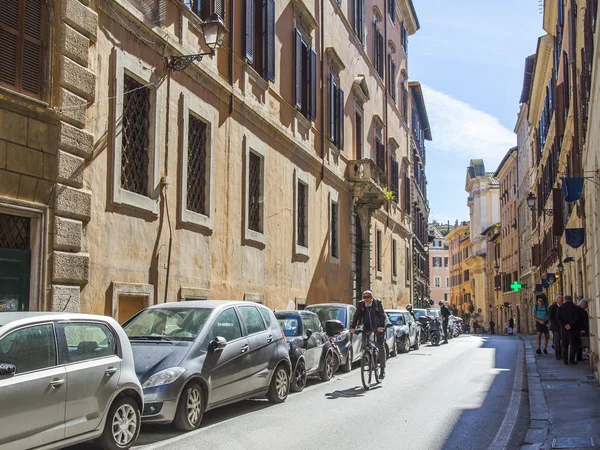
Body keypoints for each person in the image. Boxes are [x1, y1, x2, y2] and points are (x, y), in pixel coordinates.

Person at [350, 290, 387, 378]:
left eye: (368, 297)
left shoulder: (377, 304)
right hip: (367, 327)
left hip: (378, 327)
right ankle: (368, 358)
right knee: (364, 345)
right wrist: (353, 327)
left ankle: (382, 370)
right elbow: (356, 316)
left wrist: (381, 327)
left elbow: (382, 316)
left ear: (372, 297)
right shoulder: (361, 304)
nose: (366, 299)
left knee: (381, 346)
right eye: (364, 297)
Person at [556, 295, 581, 365]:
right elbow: (577, 318)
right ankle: (571, 359)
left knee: (565, 344)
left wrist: (564, 325)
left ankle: (565, 360)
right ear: (571, 299)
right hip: (574, 328)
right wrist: (571, 324)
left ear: (565, 300)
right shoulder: (576, 308)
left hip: (564, 329)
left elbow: (558, 318)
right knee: (573, 344)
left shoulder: (560, 308)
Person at [548, 294, 564, 360]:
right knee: (557, 341)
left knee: (563, 341)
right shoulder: (552, 307)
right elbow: (550, 317)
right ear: (557, 300)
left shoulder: (563, 306)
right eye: (561, 300)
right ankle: (558, 355)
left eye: (562, 300)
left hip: (563, 327)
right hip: (556, 327)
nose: (562, 301)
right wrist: (556, 325)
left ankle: (562, 354)